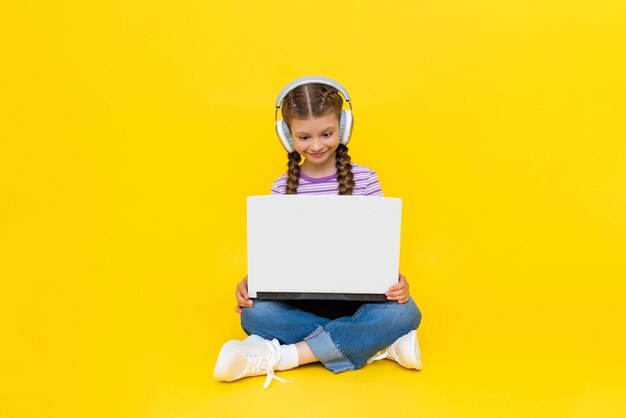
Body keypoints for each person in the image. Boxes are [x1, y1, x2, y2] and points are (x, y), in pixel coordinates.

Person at [213, 77, 423, 388]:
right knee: (254, 315)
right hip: (301, 300)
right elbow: (274, 250)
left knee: (405, 314)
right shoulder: (281, 187)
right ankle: (379, 343)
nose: (316, 145)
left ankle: (284, 356)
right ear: (287, 136)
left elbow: (379, 244)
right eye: (304, 136)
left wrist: (395, 279)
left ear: (343, 127)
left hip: (358, 298)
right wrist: (254, 279)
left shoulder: (365, 179)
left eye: (326, 133)